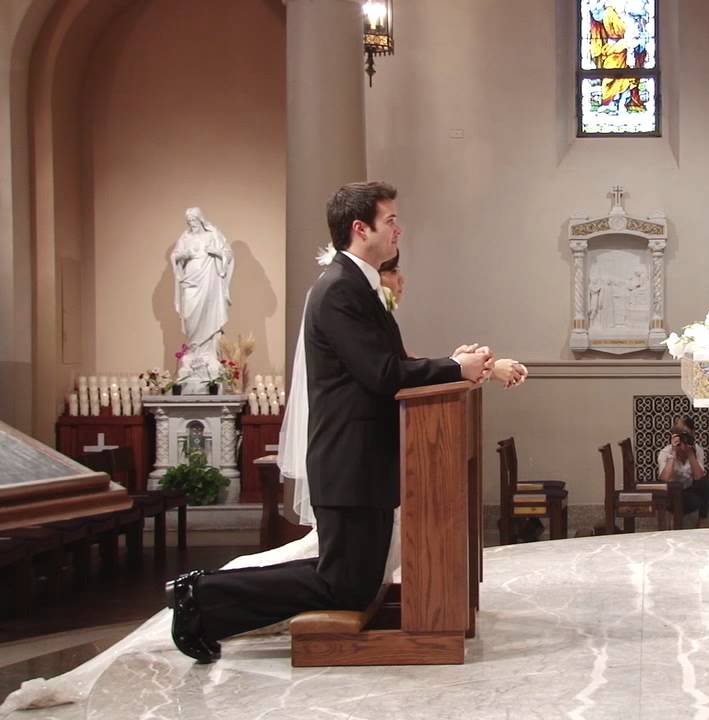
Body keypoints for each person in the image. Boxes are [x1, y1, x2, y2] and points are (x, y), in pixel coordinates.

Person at [163, 181, 495, 663]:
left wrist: (450, 363)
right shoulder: (339, 289)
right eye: (391, 220)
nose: (399, 228)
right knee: (341, 583)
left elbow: (386, 362)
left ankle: (205, 599)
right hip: (348, 460)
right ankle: (203, 595)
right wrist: (452, 368)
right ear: (360, 229)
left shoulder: (359, 285)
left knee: (353, 584)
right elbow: (381, 374)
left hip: (363, 462)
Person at [171, 207, 234, 391]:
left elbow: (228, 254)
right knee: (190, 317)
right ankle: (193, 352)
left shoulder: (213, 234)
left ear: (200, 220)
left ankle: (208, 355)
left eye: (193, 220)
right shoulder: (184, 238)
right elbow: (175, 256)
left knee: (209, 316)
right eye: (188, 221)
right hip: (190, 282)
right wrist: (182, 256)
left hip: (209, 282)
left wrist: (216, 252)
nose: (191, 224)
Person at [656, 419, 709, 524]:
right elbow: (664, 479)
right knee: (680, 498)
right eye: (681, 438)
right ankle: (674, 516)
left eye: (687, 437)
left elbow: (699, 477)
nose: (683, 442)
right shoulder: (665, 452)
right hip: (672, 493)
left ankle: (702, 521)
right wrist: (673, 453)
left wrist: (690, 454)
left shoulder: (697, 450)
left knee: (708, 482)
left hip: (689, 491)